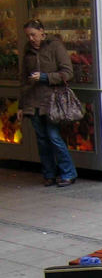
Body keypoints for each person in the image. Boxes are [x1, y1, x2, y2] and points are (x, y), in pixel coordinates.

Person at [18, 19, 78, 187]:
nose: (31, 38)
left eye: (33, 35)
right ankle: (49, 174)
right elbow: (23, 79)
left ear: (42, 32)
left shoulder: (55, 46)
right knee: (42, 139)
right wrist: (21, 105)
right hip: (33, 101)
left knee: (53, 137)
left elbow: (67, 72)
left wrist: (45, 77)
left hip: (52, 101)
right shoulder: (27, 50)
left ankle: (68, 172)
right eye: (28, 36)